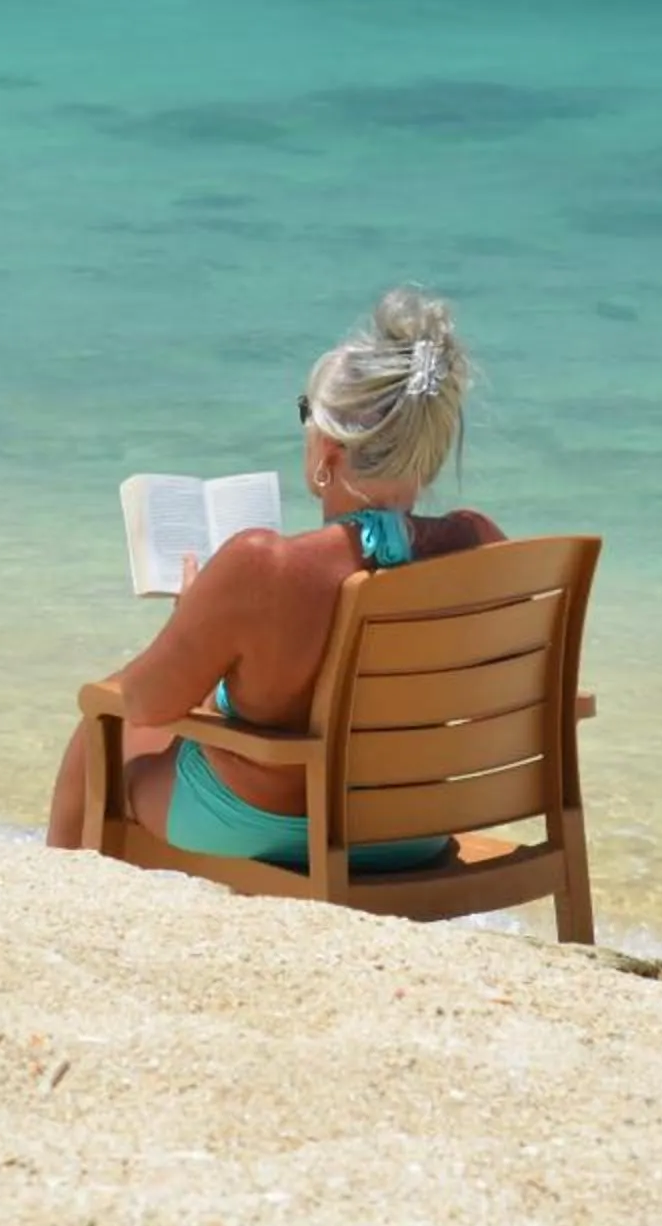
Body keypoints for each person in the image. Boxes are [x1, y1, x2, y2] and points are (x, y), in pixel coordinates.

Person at [45, 287, 502, 871]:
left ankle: (52, 891)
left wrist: (194, 616)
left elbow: (146, 701)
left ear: (329, 451)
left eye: (305, 413)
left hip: (263, 824)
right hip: (413, 829)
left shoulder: (265, 565)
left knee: (100, 724)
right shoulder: (479, 544)